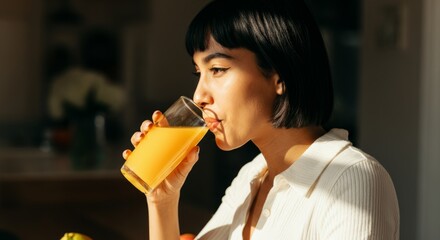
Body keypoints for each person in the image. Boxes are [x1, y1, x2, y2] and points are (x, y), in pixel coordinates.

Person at [122, 0, 400, 239]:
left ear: (280, 76)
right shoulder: (251, 177)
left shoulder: (352, 180)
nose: (199, 96)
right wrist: (163, 200)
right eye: (199, 73)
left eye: (217, 69)